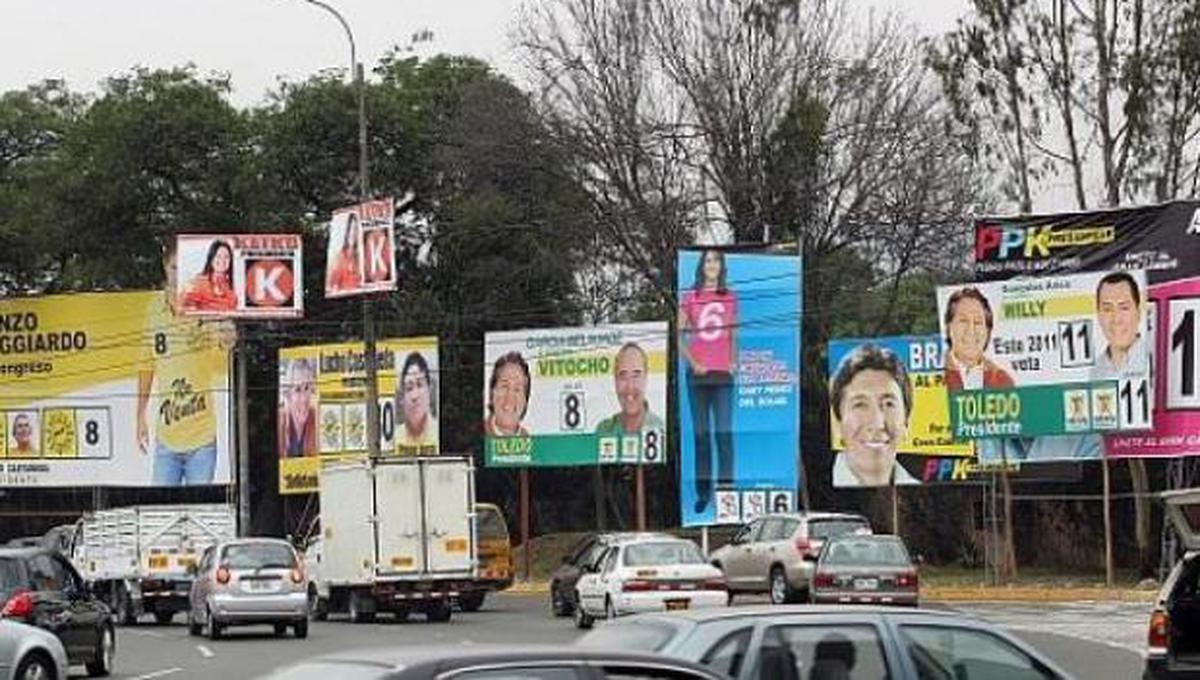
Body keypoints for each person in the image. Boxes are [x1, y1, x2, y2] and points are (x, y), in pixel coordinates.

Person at [138, 240, 235, 486]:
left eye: (182, 268)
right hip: (167, 438)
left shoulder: (205, 305)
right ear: (164, 268)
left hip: (201, 437)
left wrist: (226, 329)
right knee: (159, 513)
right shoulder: (153, 310)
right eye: (173, 268)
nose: (176, 275)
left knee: (198, 513)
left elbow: (227, 342)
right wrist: (140, 414)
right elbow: (146, 365)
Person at [679, 249, 738, 514]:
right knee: (701, 435)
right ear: (702, 266)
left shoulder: (730, 296)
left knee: (723, 434)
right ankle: (704, 493)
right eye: (708, 260)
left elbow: (734, 334)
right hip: (698, 376)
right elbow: (679, 336)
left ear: (722, 266)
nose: (712, 265)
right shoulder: (690, 297)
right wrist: (693, 363)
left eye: (717, 260)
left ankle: (726, 490)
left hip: (722, 374)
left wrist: (733, 361)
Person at [829, 344, 919, 487]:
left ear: (906, 422)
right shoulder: (812, 492)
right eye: (860, 405)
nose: (877, 423)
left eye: (888, 404)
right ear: (838, 423)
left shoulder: (918, 490)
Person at [943, 287, 1014, 390]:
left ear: (988, 331)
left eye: (978, 322)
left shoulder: (1003, 381)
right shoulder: (933, 374)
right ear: (949, 327)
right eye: (963, 321)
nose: (971, 330)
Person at [594, 342, 665, 439]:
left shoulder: (662, 430)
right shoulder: (604, 430)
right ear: (615, 380)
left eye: (636, 376)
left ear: (646, 377)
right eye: (623, 376)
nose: (630, 386)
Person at [1092, 271, 1149, 379]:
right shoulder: (1095, 371)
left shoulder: (1151, 358)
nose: (1116, 319)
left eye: (1124, 308)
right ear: (1098, 315)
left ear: (1138, 313)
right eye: (1107, 309)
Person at [396, 351, 439, 454]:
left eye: (420, 385)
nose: (415, 396)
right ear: (402, 398)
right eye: (409, 388)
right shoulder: (397, 436)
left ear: (429, 390)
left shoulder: (437, 433)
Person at [180, 239, 236, 312]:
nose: (223, 260)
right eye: (218, 256)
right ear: (211, 259)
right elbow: (184, 306)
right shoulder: (199, 282)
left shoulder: (230, 288)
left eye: (227, 257)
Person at [277, 358, 317, 459]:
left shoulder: (317, 418)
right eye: (297, 390)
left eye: (307, 388)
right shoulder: (279, 421)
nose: (304, 399)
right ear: (288, 394)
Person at [485, 352, 530, 437]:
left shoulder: (532, 441)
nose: (510, 397)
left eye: (517, 389)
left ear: (525, 400)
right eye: (504, 386)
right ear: (492, 392)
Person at [326, 211, 362, 294]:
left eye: (355, 230)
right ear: (347, 232)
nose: (353, 234)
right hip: (345, 296)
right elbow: (333, 283)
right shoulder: (340, 255)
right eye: (352, 230)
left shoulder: (360, 255)